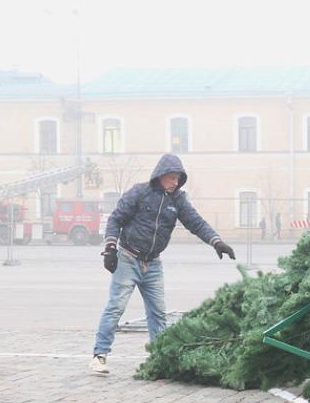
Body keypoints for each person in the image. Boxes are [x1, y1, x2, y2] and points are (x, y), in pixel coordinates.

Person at [90, 153, 235, 375]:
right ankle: (99, 356)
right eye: (172, 177)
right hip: (128, 258)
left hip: (153, 264)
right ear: (160, 174)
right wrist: (110, 248)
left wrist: (217, 242)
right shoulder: (139, 193)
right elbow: (115, 219)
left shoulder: (178, 201)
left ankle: (160, 357)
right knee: (115, 308)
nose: (176, 182)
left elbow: (196, 223)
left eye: (179, 178)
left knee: (158, 313)